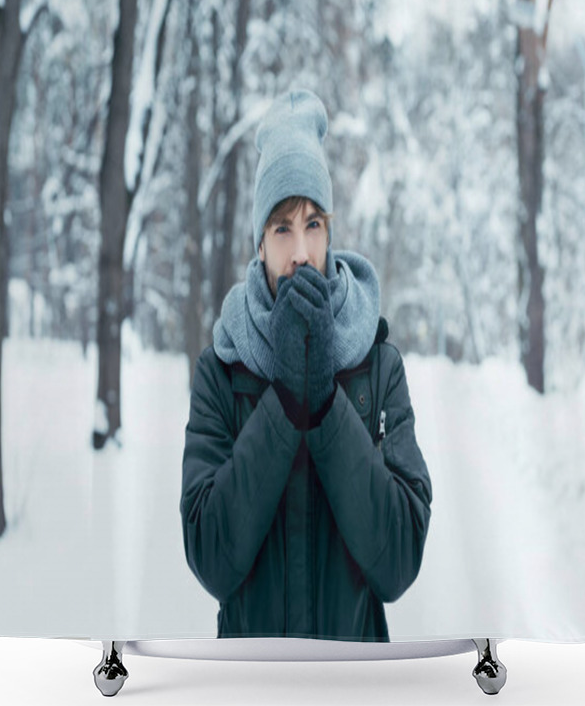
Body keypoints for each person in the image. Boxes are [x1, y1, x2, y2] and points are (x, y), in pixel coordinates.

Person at [180, 89, 432, 641]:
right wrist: (285, 401)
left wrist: (322, 403)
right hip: (248, 682)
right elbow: (211, 557)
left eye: (313, 224)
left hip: (356, 681)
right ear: (260, 243)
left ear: (331, 234)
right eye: (282, 228)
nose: (300, 253)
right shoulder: (220, 371)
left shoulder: (379, 365)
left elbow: (399, 560)